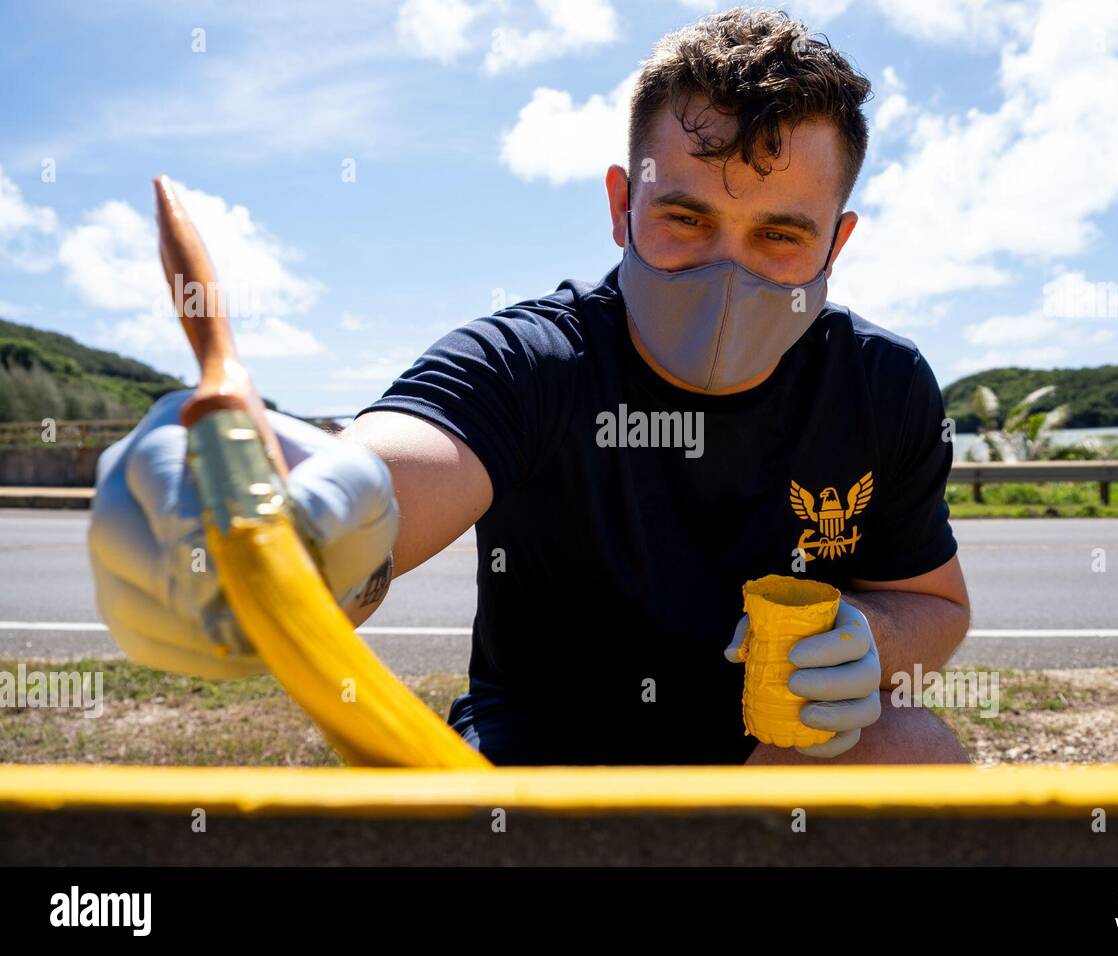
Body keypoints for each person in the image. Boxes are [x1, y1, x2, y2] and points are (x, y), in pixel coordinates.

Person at [89, 7, 971, 766]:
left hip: (763, 760)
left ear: (837, 243)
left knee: (915, 750)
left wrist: (871, 640)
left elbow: (933, 603)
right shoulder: (530, 360)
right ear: (622, 203)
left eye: (780, 235)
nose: (728, 272)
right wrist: (298, 516)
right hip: (534, 768)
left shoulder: (880, 385)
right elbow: (394, 478)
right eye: (686, 217)